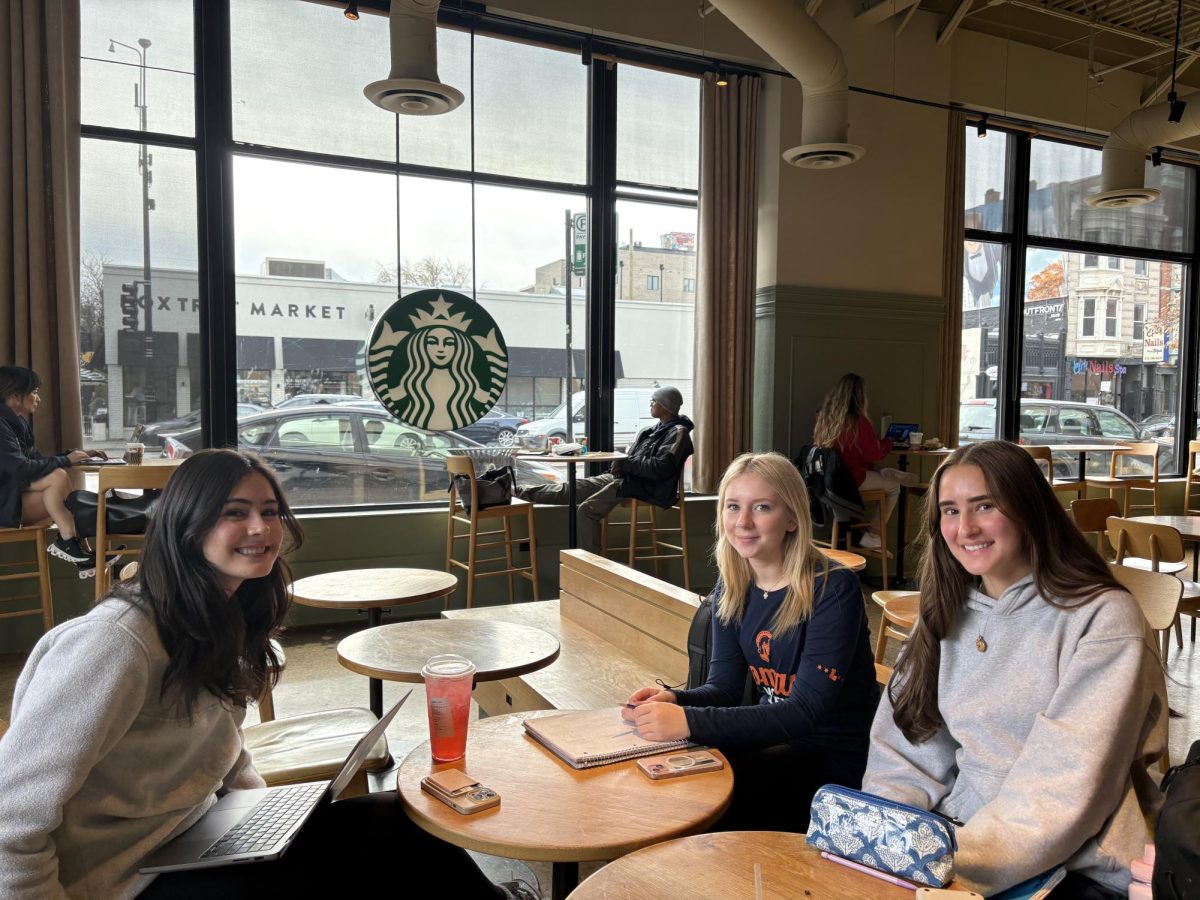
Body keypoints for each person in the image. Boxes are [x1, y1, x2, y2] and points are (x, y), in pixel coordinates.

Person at [0, 449, 538, 899]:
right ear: (185, 526)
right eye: (234, 512)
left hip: (193, 840)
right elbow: (11, 820)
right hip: (124, 880)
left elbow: (220, 747)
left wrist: (265, 816)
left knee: (402, 819)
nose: (259, 528)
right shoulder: (114, 644)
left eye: (270, 510)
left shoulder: (225, 617)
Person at [862, 440, 1167, 898]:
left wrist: (939, 864)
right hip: (953, 844)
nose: (964, 528)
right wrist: (884, 844)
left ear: (1028, 508)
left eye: (984, 505)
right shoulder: (947, 610)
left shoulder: (1103, 617)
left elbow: (1063, 793)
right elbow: (904, 749)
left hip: (1072, 865)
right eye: (949, 510)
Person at [621, 452, 878, 831]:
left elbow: (804, 712)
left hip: (831, 762)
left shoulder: (832, 588)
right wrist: (676, 700)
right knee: (654, 780)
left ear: (792, 518)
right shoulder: (733, 584)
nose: (743, 522)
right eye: (732, 507)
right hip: (774, 742)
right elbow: (724, 689)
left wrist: (686, 721)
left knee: (695, 804)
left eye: (762, 507)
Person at [516, 386, 694, 555]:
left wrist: (624, 464)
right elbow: (629, 460)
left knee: (586, 511)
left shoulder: (678, 432)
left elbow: (660, 468)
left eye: (654, 401)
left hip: (645, 488)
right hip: (625, 481)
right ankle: (517, 492)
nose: (651, 404)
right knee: (570, 489)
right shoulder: (648, 431)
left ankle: (592, 569)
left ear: (665, 406)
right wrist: (620, 465)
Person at [0, 365, 110, 576]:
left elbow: (36, 462)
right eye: (34, 392)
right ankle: (72, 544)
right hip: (4, 502)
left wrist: (74, 455)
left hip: (12, 496)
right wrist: (65, 461)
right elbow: (21, 469)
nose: (38, 398)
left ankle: (80, 551)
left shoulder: (16, 424)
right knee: (58, 476)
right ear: (14, 396)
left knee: (58, 478)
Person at [813, 372, 915, 550]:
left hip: (827, 483)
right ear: (860, 396)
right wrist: (889, 442)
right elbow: (874, 453)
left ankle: (881, 472)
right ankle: (873, 535)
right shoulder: (858, 422)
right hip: (852, 480)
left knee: (872, 468)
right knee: (894, 488)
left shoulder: (823, 417)